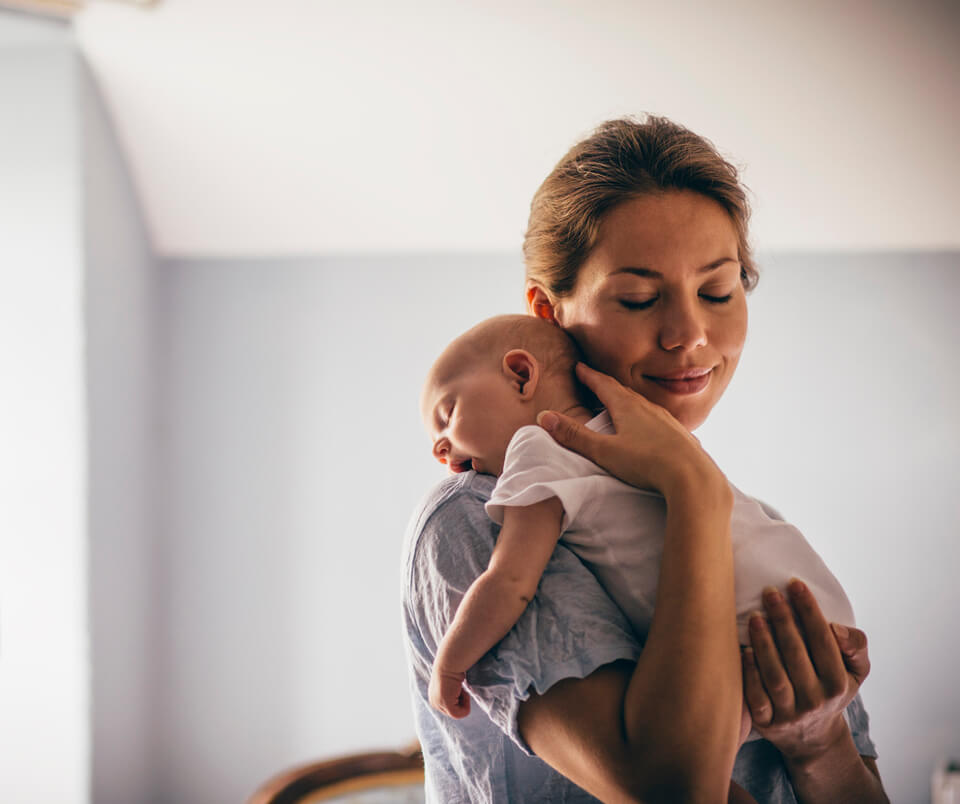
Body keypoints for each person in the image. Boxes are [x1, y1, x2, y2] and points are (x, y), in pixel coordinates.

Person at [401, 115, 888, 802]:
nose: (689, 335)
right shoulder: (477, 513)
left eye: (718, 291)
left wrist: (820, 745)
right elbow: (674, 789)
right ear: (548, 312)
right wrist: (693, 491)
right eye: (638, 298)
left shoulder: (756, 534)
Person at [419, 313, 856, 747]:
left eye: (448, 414)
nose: (440, 448)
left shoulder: (537, 447)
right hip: (813, 605)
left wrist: (451, 664)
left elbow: (511, 580)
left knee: (694, 763)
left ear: (520, 376)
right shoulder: (647, 436)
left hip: (749, 622)